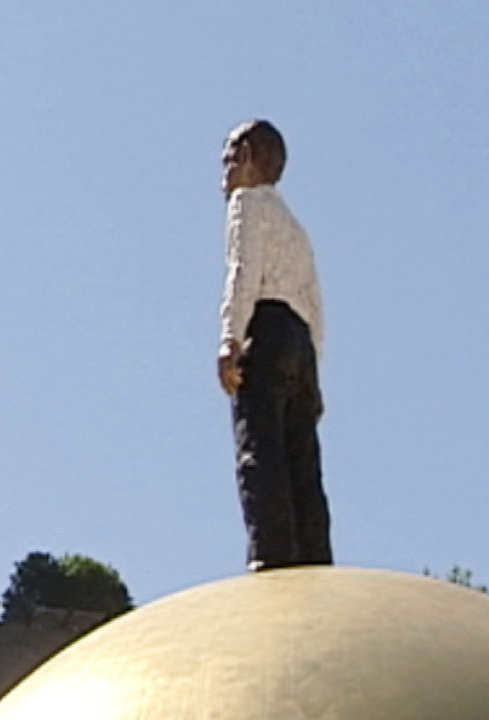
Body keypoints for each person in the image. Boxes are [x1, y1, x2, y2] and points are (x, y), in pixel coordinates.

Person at [217, 119, 331, 571]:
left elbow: (243, 271)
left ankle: (272, 556)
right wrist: (313, 372)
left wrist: (230, 338)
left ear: (246, 157)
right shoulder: (297, 229)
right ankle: (314, 557)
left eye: (228, 159)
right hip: (301, 342)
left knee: (260, 449)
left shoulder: (248, 204)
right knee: (303, 461)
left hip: (265, 328)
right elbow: (315, 303)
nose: (223, 175)